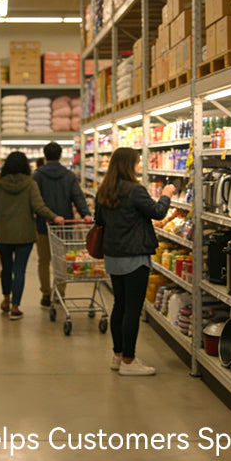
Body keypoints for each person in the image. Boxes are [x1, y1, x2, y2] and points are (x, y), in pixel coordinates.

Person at [93, 147, 175, 376]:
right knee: (132, 310)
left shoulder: (104, 190)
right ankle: (129, 361)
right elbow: (158, 212)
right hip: (134, 257)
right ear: (129, 165)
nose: (140, 165)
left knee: (119, 305)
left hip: (113, 256)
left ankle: (118, 355)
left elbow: (99, 220)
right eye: (138, 162)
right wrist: (166, 194)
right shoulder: (135, 190)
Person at [0, 151, 64, 320]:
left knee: (6, 269)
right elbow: (39, 206)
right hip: (25, 235)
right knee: (19, 270)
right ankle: (15, 307)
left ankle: (6, 300)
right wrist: (54, 216)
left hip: (3, 234)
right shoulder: (30, 183)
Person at [33, 141, 93, 307]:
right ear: (60, 156)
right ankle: (60, 292)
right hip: (65, 224)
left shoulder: (37, 175)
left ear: (45, 157)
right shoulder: (69, 175)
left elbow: (34, 201)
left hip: (43, 225)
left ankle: (46, 293)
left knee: (43, 261)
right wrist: (86, 214)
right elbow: (78, 197)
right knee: (61, 260)